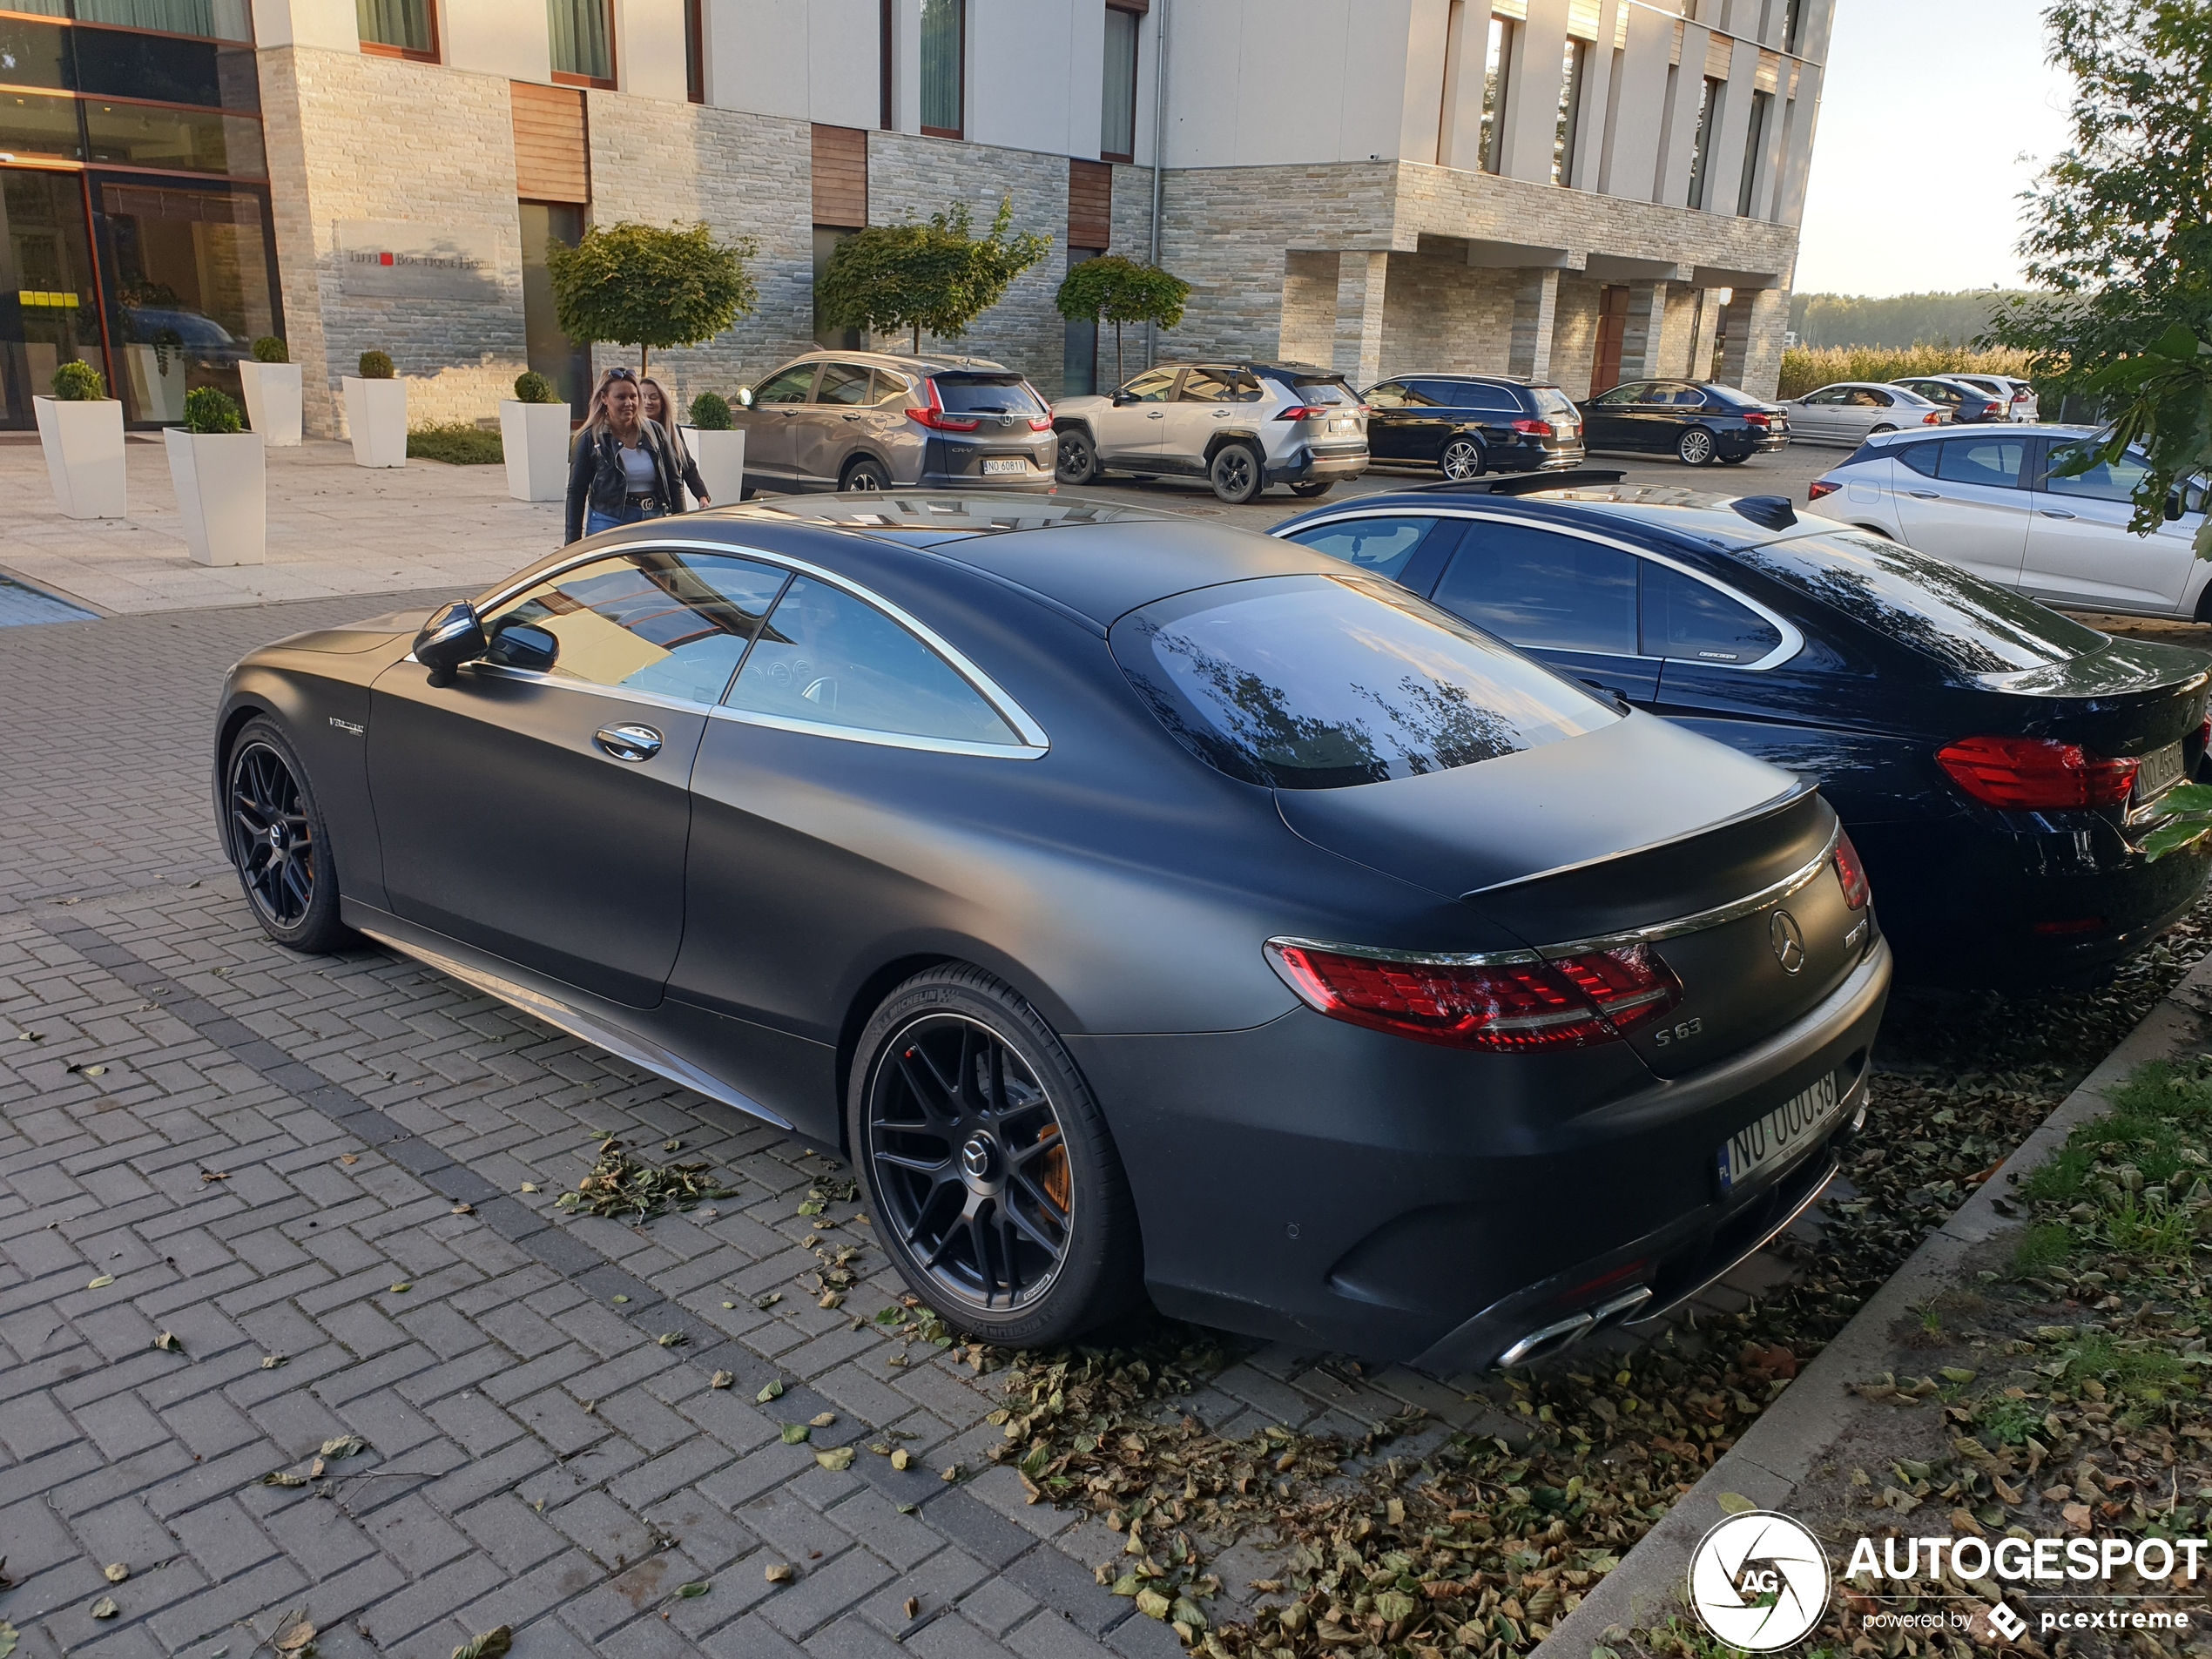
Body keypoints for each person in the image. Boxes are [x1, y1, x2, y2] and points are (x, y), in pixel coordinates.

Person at [565, 367, 686, 543]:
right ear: (604, 398)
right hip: (609, 520)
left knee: (658, 572)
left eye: (633, 396)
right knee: (610, 571)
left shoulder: (655, 432)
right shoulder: (591, 438)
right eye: (621, 397)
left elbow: (675, 482)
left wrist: (682, 526)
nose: (629, 403)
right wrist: (571, 544)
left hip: (654, 517)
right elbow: (576, 491)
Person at [640, 377, 712, 509]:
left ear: (663, 402)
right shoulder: (632, 433)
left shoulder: (673, 431)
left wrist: (702, 496)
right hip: (644, 506)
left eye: (654, 397)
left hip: (671, 504)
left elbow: (688, 466)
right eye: (643, 397)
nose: (647, 402)